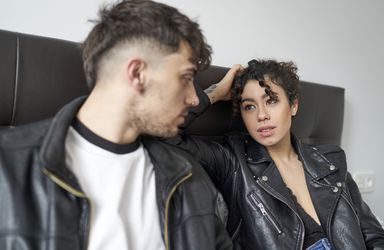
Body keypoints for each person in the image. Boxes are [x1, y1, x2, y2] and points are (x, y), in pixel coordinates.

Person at [0, 1, 233, 249]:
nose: (194, 98)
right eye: (185, 78)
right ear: (137, 74)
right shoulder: (8, 164)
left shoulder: (189, 179)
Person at [176, 59, 384, 249]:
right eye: (249, 106)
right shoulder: (233, 161)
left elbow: (374, 236)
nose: (261, 115)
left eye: (271, 101)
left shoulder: (329, 161)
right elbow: (165, 139)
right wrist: (214, 93)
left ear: (293, 106)